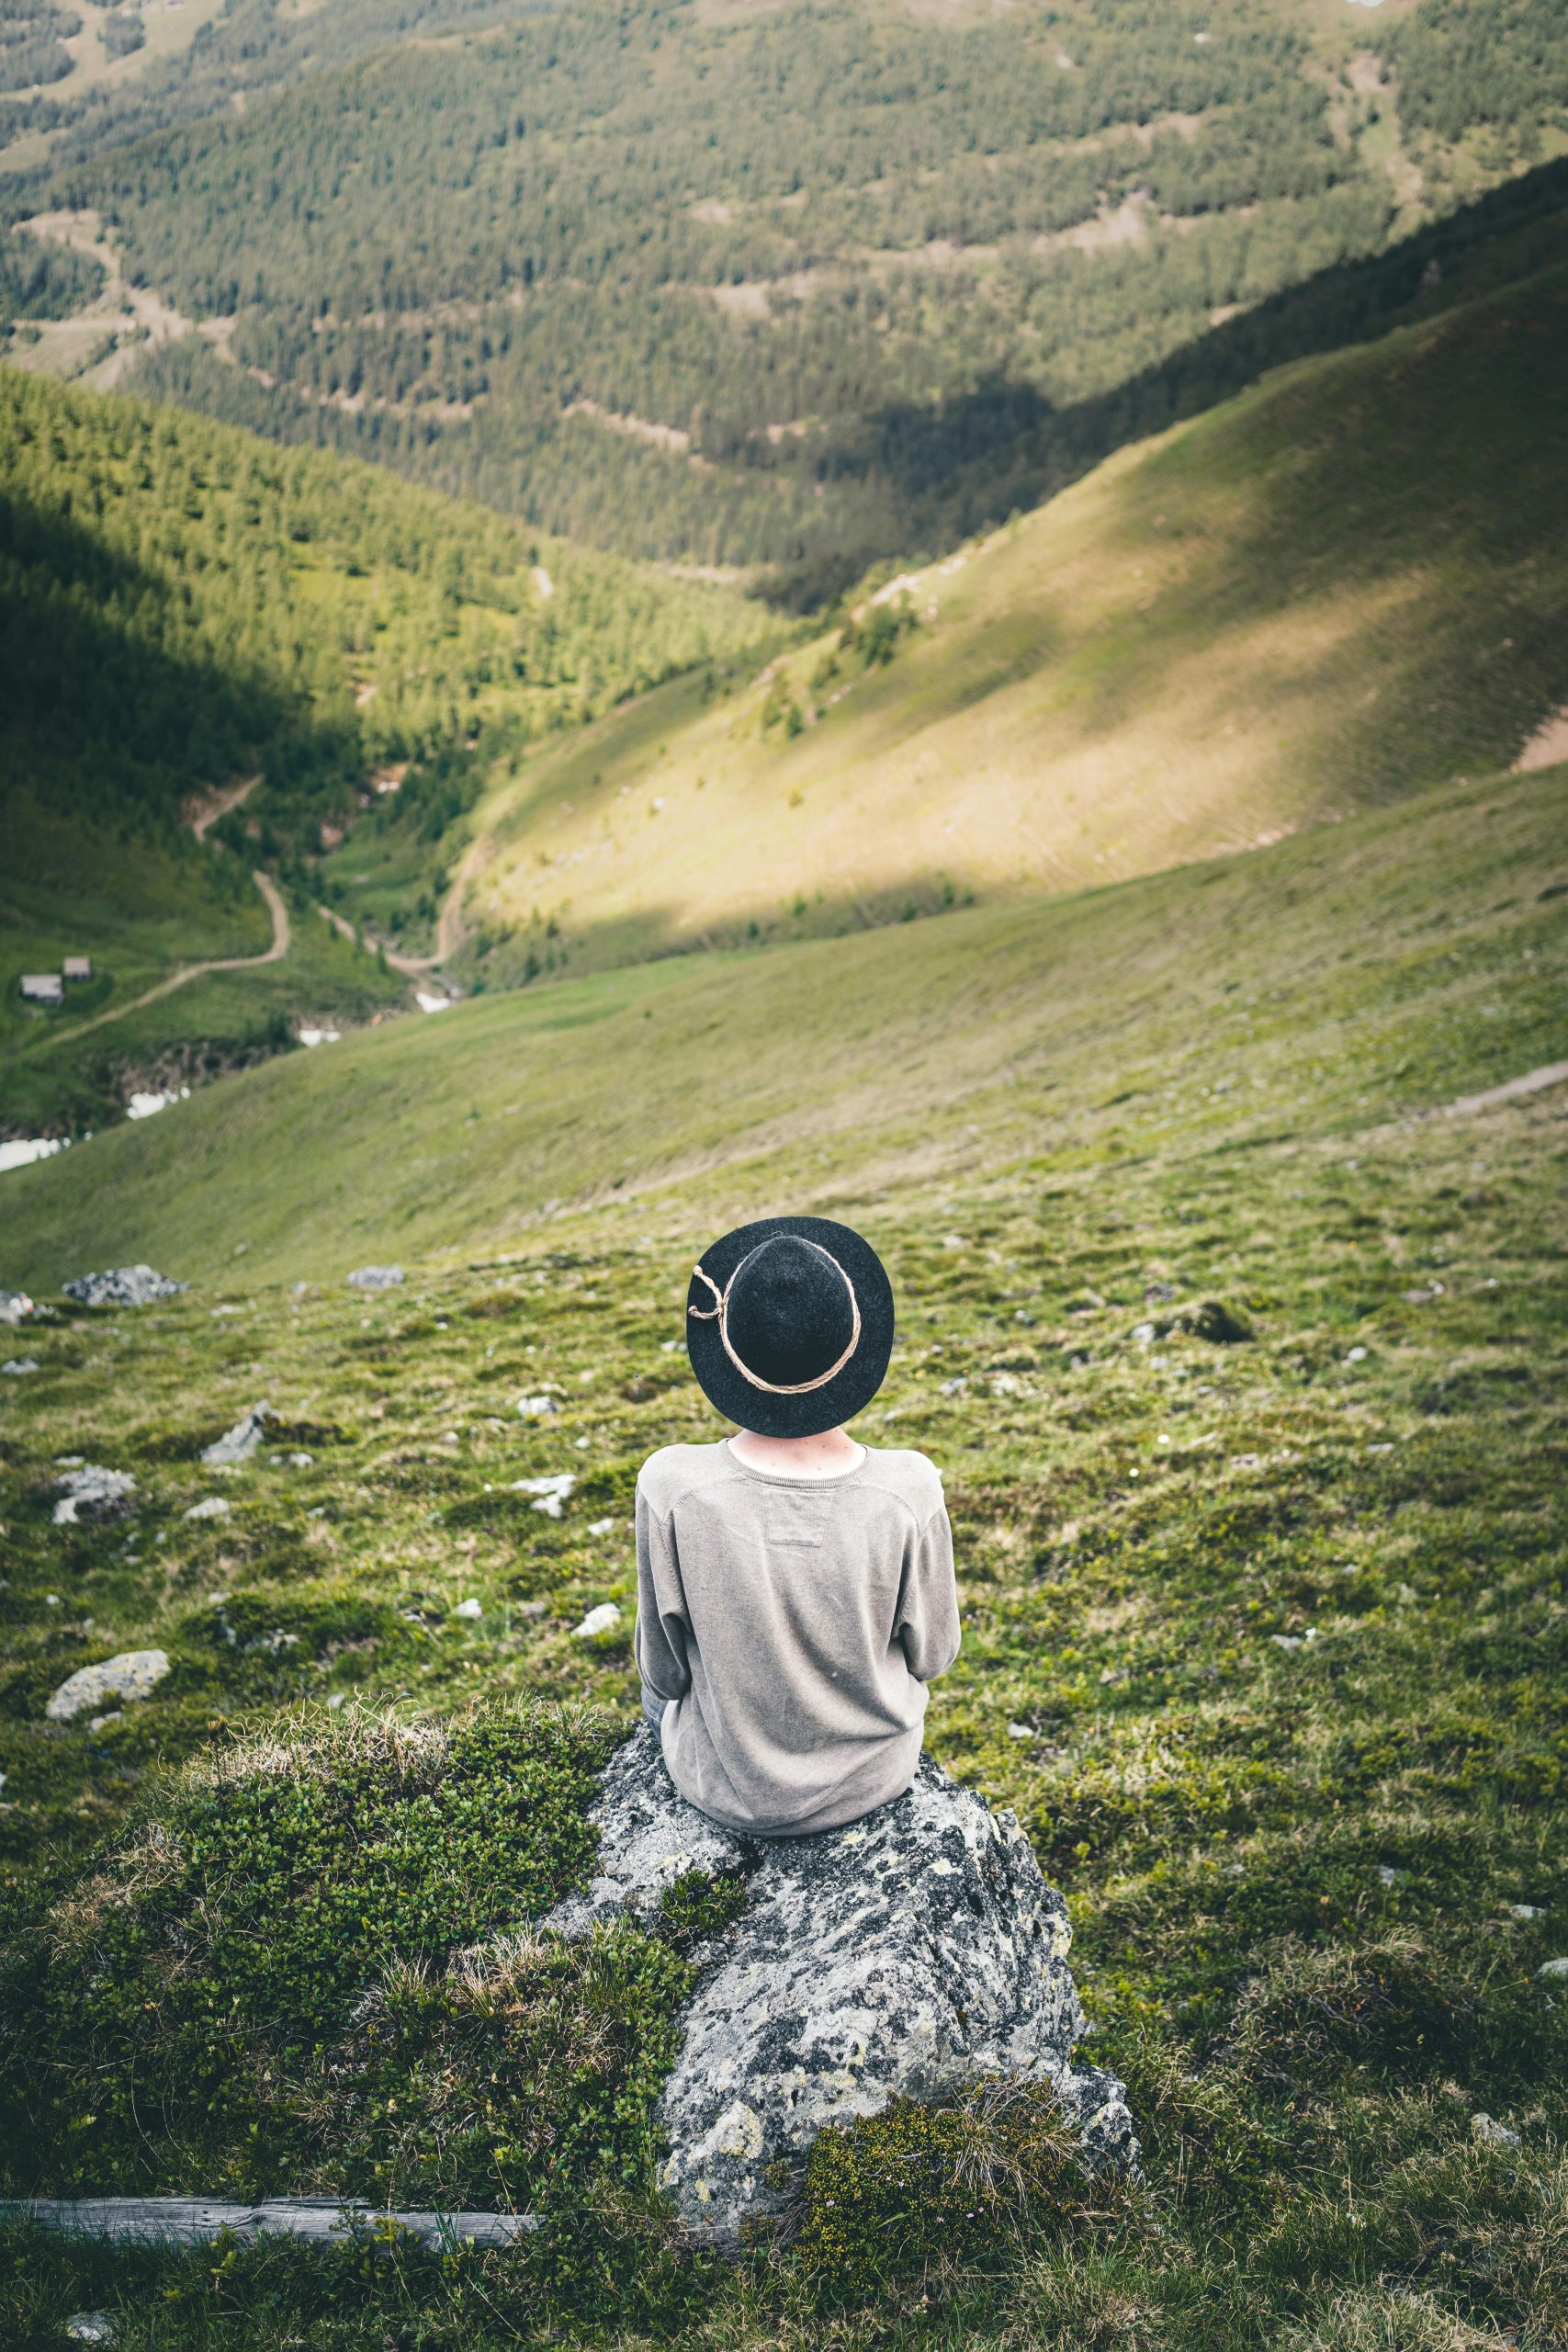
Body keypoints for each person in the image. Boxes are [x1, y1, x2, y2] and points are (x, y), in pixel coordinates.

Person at [634, 1215, 960, 1837]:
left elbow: (664, 1674)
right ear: (853, 1342)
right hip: (872, 1781)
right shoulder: (908, 1489)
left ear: (729, 1347)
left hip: (722, 1786)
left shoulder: (669, 1484)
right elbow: (933, 1657)